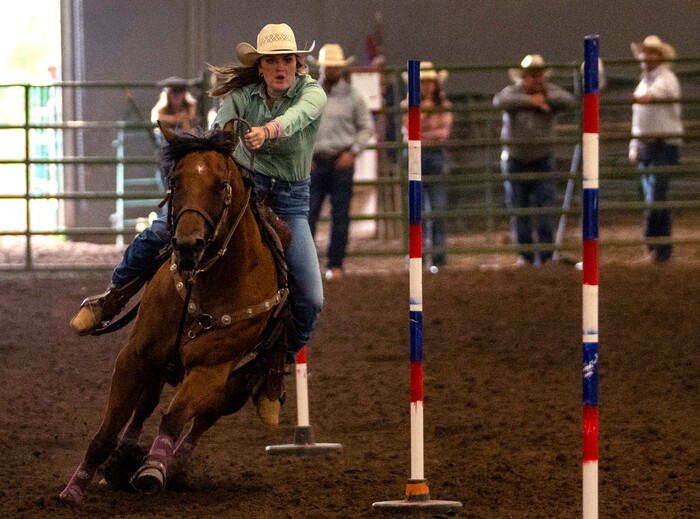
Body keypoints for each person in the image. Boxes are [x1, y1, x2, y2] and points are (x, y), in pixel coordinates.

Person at [70, 23, 326, 424]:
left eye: (288, 60)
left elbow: (299, 117)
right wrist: (224, 141)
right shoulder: (240, 97)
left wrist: (268, 131)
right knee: (161, 231)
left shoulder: (312, 93)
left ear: (297, 64)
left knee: (310, 298)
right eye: (272, 60)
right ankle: (112, 297)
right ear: (260, 67)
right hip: (242, 188)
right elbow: (222, 129)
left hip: (290, 201)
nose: (281, 67)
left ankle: (273, 368)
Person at [493, 54, 574, 266]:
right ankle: (526, 257)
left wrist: (543, 98)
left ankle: (545, 257)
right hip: (516, 159)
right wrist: (530, 101)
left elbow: (567, 100)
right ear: (523, 77)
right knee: (519, 211)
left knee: (544, 210)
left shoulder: (550, 93)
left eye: (538, 75)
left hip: (542, 159)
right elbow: (499, 100)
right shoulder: (513, 93)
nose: (535, 80)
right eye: (531, 76)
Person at [308, 43, 374, 281]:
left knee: (340, 216)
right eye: (328, 65)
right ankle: (310, 266)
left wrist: (353, 150)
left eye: (334, 66)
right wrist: (305, 155)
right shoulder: (309, 94)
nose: (331, 69)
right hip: (315, 161)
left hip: (341, 162)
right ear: (322, 67)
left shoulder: (353, 96)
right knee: (308, 216)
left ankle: (336, 264)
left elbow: (366, 127)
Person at [628, 35, 683, 263]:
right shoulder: (646, 80)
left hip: (663, 144)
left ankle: (650, 241)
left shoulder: (665, 78)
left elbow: (647, 99)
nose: (646, 56)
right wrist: (634, 143)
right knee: (657, 196)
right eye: (645, 52)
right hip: (648, 145)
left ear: (659, 57)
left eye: (651, 52)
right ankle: (662, 251)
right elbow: (638, 117)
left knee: (655, 197)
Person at [401, 61, 453, 271]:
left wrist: (422, 130)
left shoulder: (443, 105)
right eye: (423, 82)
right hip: (419, 155)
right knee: (417, 211)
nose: (427, 86)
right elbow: (410, 131)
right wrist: (426, 115)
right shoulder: (407, 106)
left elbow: (443, 134)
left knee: (437, 210)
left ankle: (437, 259)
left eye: (430, 82)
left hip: (431, 155)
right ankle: (418, 258)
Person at [150, 76, 199, 193]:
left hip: (183, 150)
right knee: (165, 169)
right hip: (169, 151)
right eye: (173, 94)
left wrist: (181, 122)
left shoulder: (190, 106)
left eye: (179, 94)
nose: (176, 98)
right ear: (168, 95)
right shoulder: (162, 109)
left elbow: (189, 125)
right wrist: (176, 119)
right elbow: (156, 117)